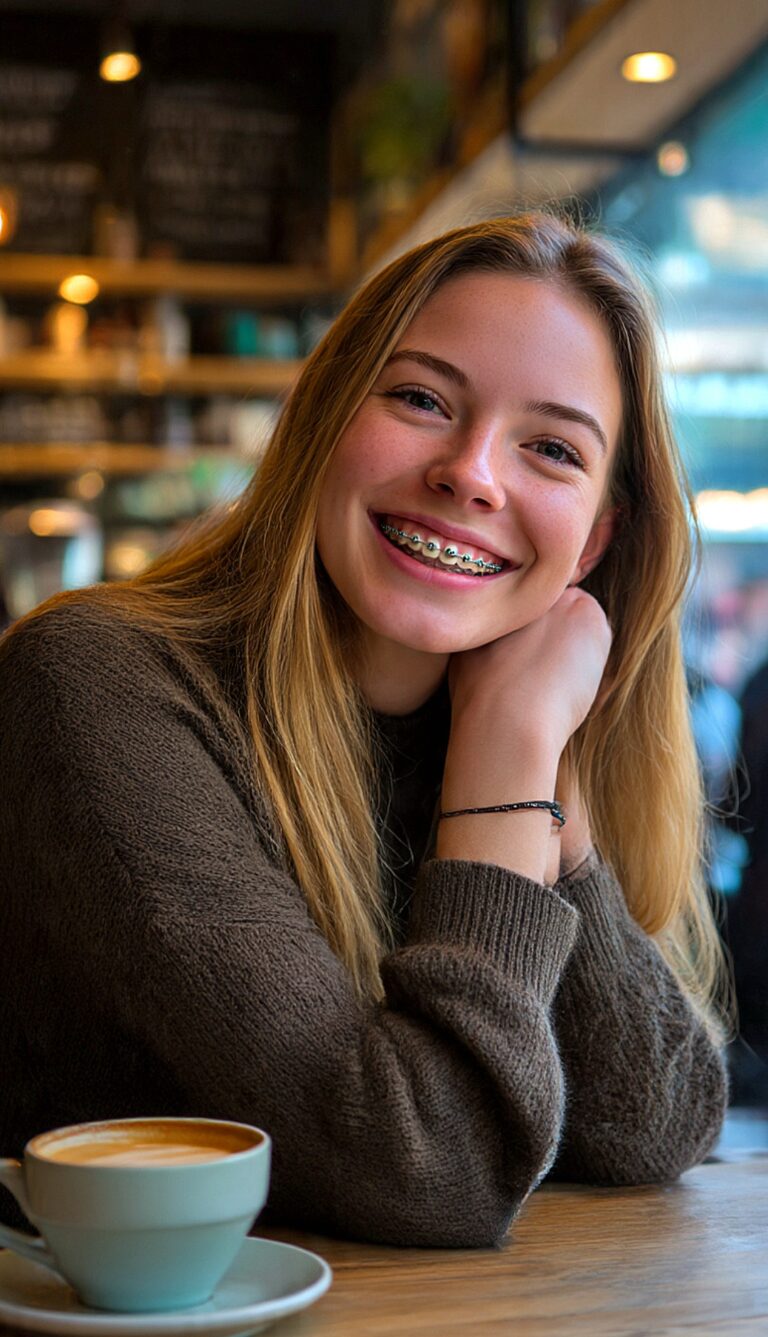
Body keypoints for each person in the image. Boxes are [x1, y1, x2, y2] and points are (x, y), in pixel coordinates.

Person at [0, 213, 729, 1248]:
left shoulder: (481, 714)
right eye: (422, 398)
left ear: (595, 542)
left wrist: (526, 754)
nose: (472, 472)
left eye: (553, 449)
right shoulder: (98, 685)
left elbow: (656, 1119)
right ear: (325, 419)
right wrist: (510, 761)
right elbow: (431, 1170)